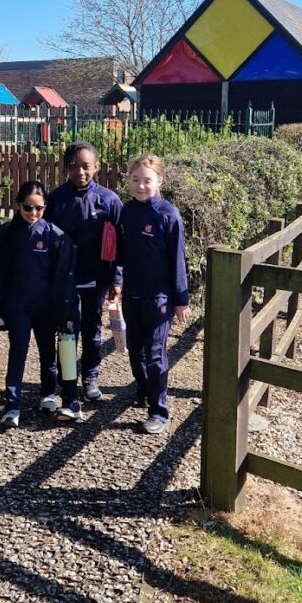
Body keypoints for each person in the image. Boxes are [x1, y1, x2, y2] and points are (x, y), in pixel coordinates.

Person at [0, 180, 78, 429]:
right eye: (28, 208)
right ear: (17, 206)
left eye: (39, 208)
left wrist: (63, 310)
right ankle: (13, 404)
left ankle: (48, 394)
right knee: (18, 352)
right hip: (18, 306)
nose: (33, 214)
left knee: (48, 353)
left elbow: (63, 277)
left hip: (45, 307)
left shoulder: (55, 236)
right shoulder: (5, 234)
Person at [45, 141, 122, 419]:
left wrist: (117, 278)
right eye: (74, 166)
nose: (80, 172)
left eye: (86, 166)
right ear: (66, 168)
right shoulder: (56, 200)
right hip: (65, 280)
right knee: (67, 333)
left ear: (96, 167)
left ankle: (90, 378)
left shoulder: (110, 201)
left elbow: (120, 245)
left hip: (97, 279)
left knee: (92, 331)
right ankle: (67, 384)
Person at [118, 153, 190, 435]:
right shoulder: (127, 212)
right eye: (135, 180)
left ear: (160, 181)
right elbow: (121, 253)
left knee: (155, 353)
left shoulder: (168, 214)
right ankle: (144, 389)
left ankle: (159, 410)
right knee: (134, 349)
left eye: (147, 181)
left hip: (160, 297)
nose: (140, 186)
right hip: (132, 294)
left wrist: (181, 299)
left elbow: (177, 259)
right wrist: (116, 281)